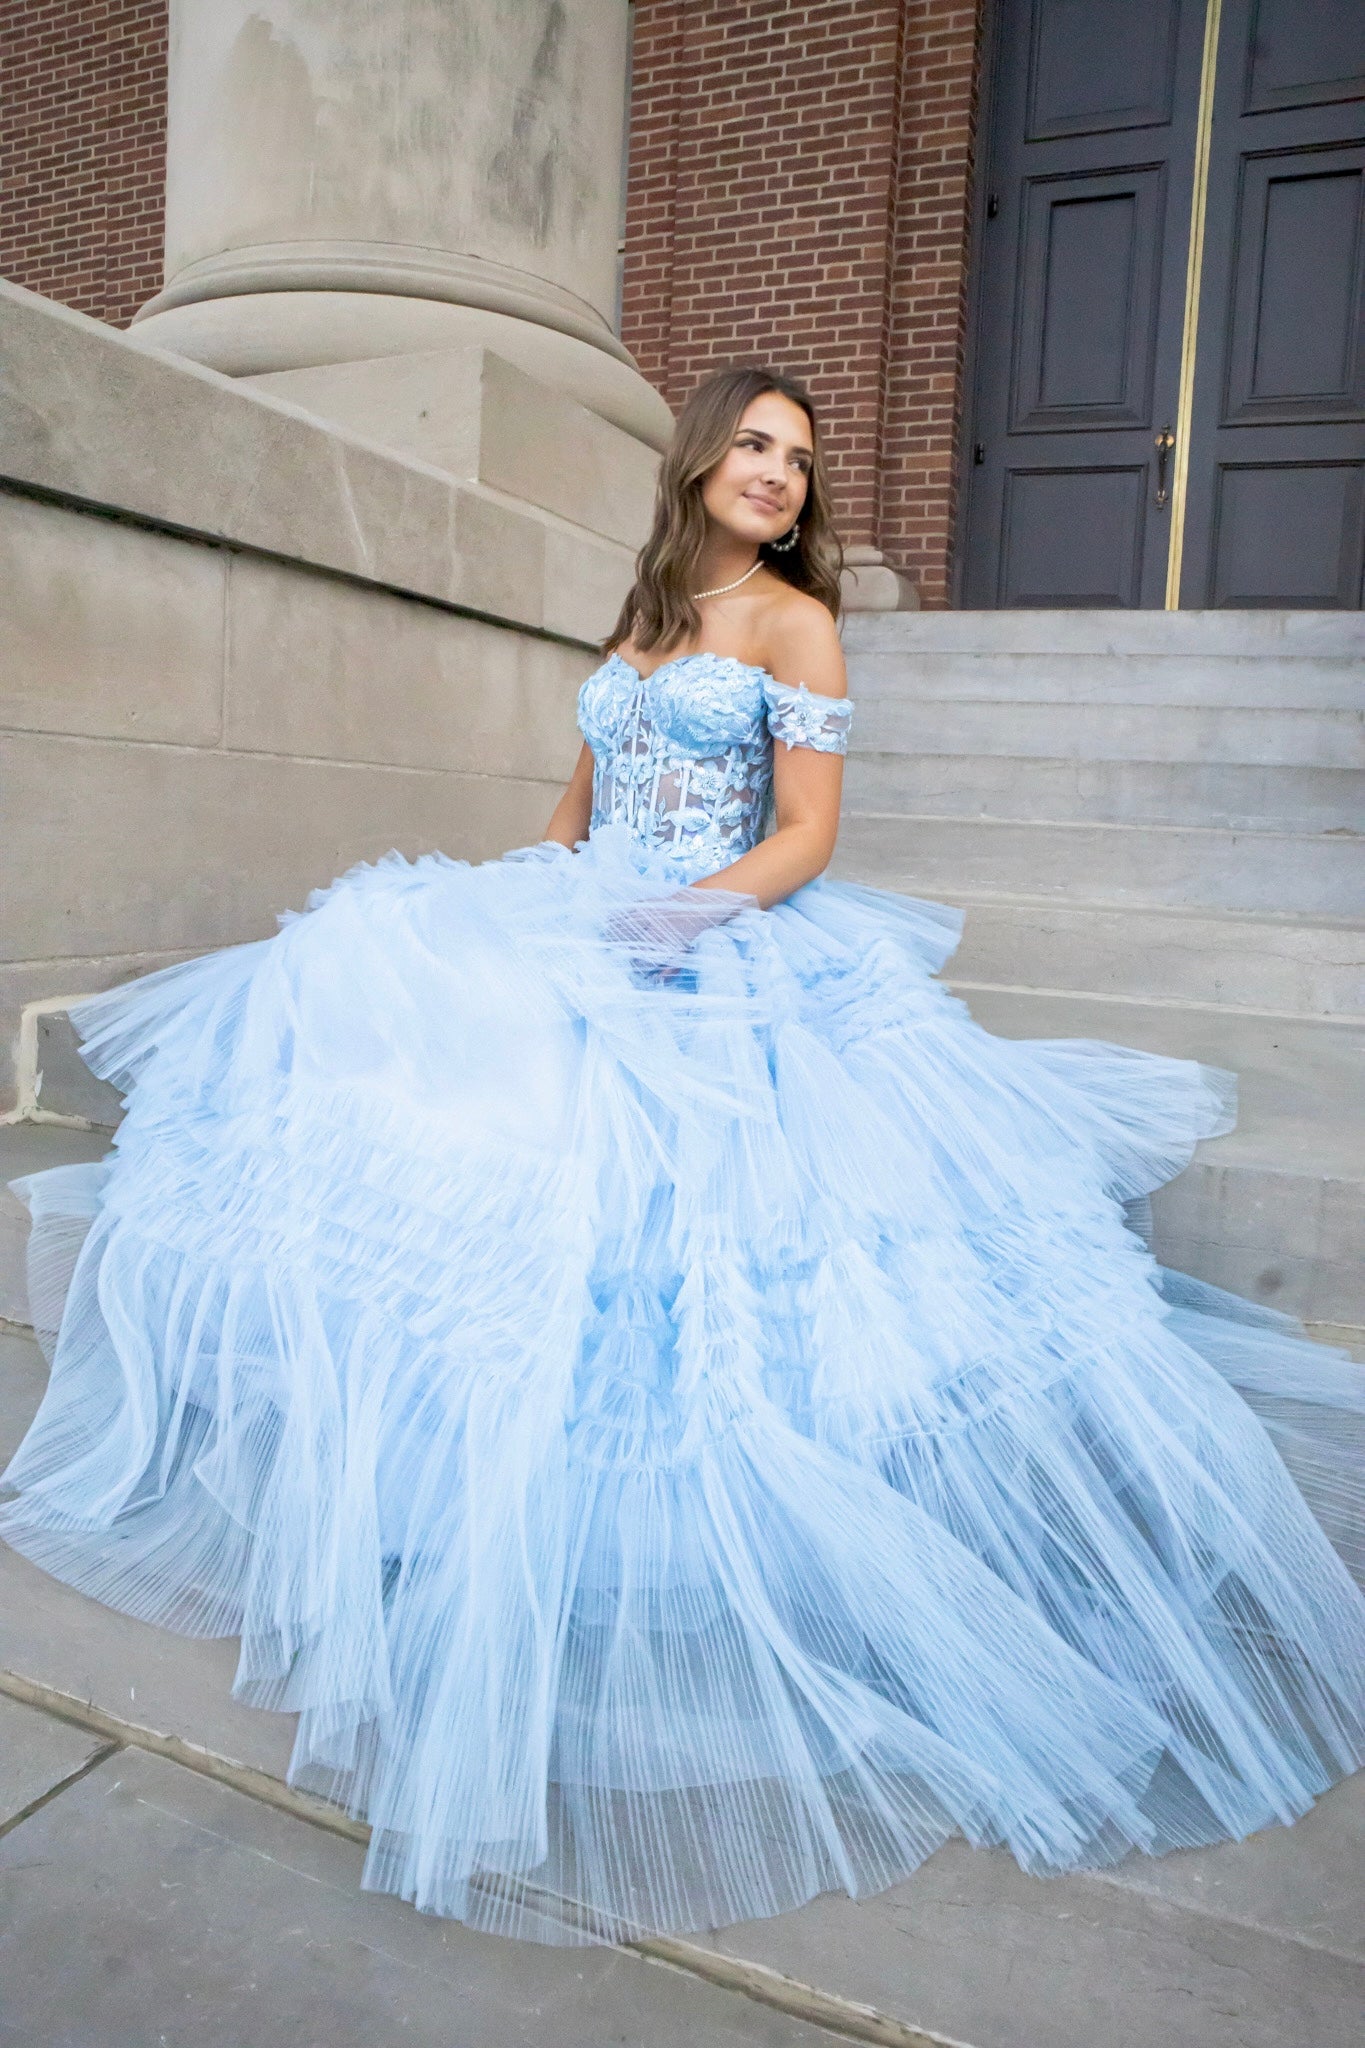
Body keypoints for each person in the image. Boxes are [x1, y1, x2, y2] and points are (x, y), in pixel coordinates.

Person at [3, 366, 1363, 1948]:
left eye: (800, 455)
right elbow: (574, 811)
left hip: (716, 934)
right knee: (380, 1014)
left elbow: (805, 836)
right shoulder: (641, 613)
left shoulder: (796, 623)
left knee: (672, 1221)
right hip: (593, 913)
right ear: (700, 455)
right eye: (757, 444)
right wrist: (513, 911)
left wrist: (686, 917)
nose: (780, 474)